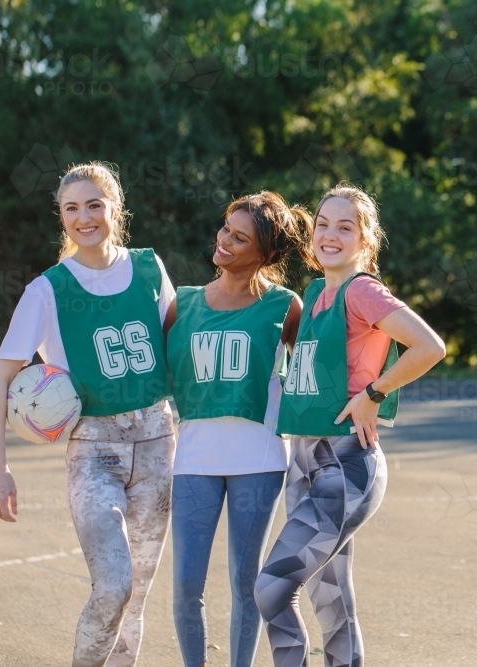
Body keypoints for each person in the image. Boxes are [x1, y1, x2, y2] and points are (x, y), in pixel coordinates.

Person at [0, 162, 176, 667]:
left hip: (159, 443)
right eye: (72, 208)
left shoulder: (150, 268)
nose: (84, 217)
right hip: (94, 452)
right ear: (62, 218)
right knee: (114, 585)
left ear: (116, 208)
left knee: (136, 597)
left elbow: (179, 355)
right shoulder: (47, 290)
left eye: (95, 204)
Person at [254, 184, 446, 667]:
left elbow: (430, 346)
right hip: (306, 462)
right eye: (322, 224)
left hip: (346, 465)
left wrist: (373, 395)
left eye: (345, 227)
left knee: (272, 588)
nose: (329, 234)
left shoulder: (362, 291)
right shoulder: (317, 292)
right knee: (330, 601)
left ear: (365, 240)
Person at [164, 192, 309, 667]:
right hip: (194, 459)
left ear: (265, 255)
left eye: (239, 237)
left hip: (259, 458)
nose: (224, 240)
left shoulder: (286, 307)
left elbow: (317, 370)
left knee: (247, 585)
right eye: (226, 227)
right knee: (186, 585)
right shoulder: (180, 305)